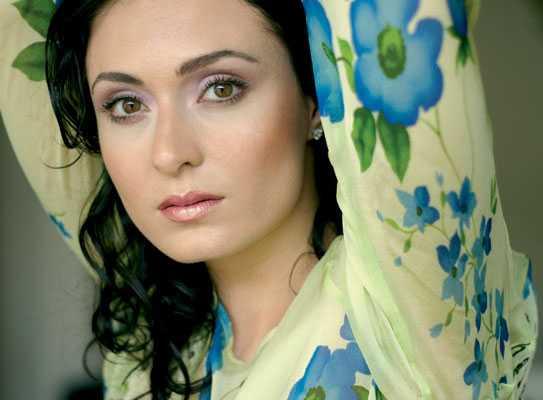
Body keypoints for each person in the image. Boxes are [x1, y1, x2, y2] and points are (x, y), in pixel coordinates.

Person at [4, 0, 537, 399]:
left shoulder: (413, 312)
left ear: (316, 98)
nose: (169, 154)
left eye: (221, 88)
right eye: (125, 104)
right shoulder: (150, 339)